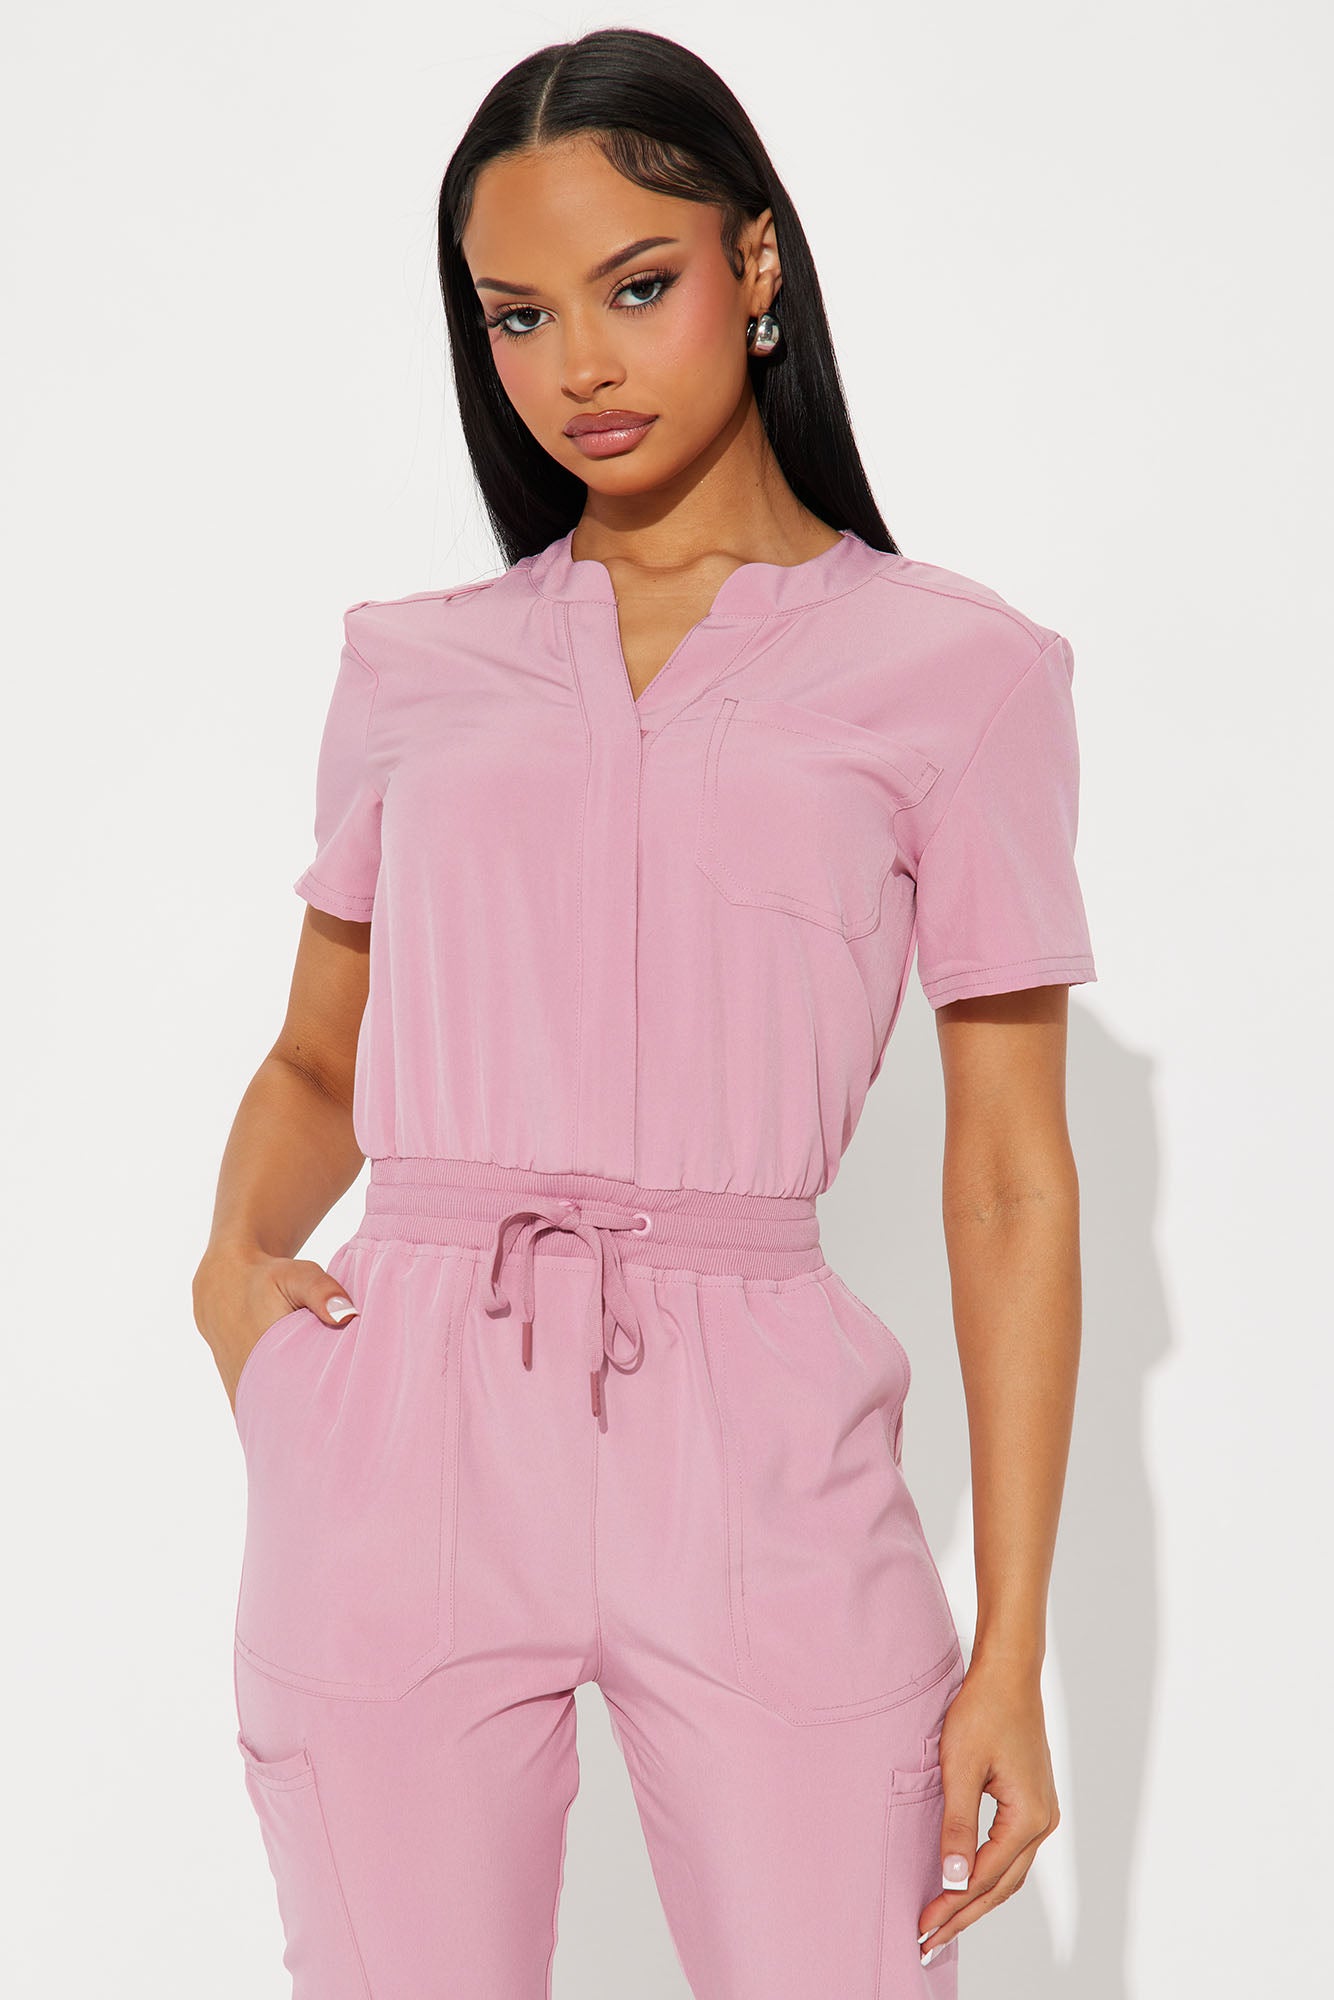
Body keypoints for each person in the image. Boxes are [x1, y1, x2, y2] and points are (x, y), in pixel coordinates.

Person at [193, 26, 1097, 1999]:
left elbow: (1011, 1179)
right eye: (516, 314)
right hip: (405, 1438)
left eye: (634, 286)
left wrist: (1012, 1649)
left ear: (754, 262)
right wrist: (233, 1276)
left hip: (761, 1449)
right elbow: (319, 1058)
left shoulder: (956, 673)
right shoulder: (413, 666)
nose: (575, 367)